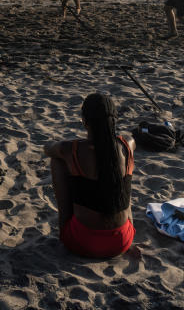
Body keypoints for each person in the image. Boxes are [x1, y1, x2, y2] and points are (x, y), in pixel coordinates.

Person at [43, 93, 136, 258]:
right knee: (121, 169)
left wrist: (72, 145)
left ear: (84, 122)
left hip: (84, 243)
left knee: (58, 161)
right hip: (123, 240)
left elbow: (48, 148)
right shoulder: (127, 144)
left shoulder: (71, 149)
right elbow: (127, 142)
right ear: (114, 120)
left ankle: (65, 227)